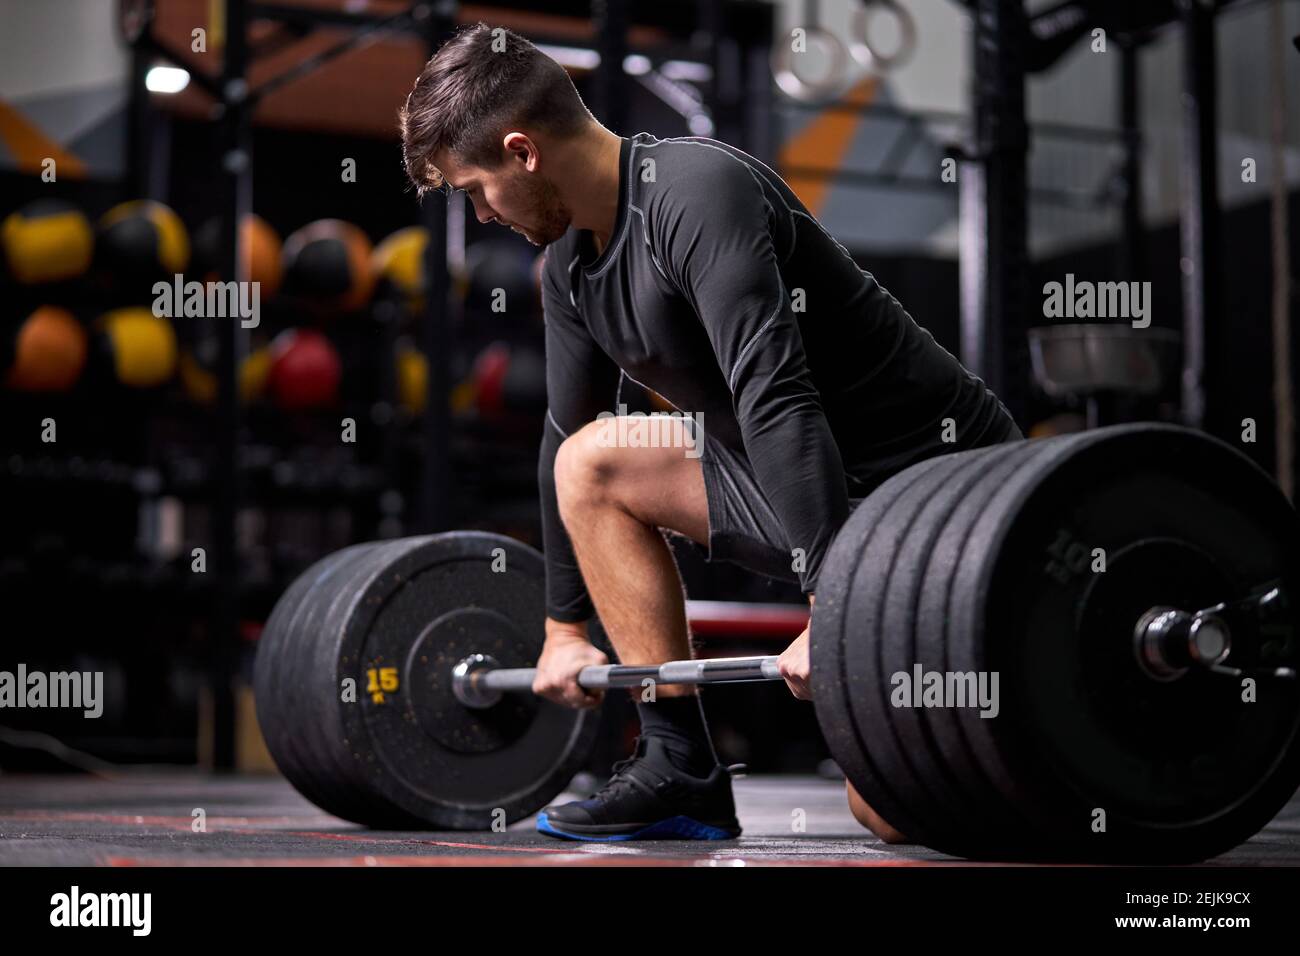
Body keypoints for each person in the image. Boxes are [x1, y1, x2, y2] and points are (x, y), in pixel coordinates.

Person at [399, 24, 1020, 843]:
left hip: (947, 496)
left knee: (893, 816)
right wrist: (561, 631)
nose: (480, 215)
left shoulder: (693, 190)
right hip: (819, 495)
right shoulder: (572, 270)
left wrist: (835, 604)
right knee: (590, 465)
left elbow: (776, 395)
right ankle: (679, 766)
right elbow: (563, 437)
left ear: (524, 151)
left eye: (476, 188)